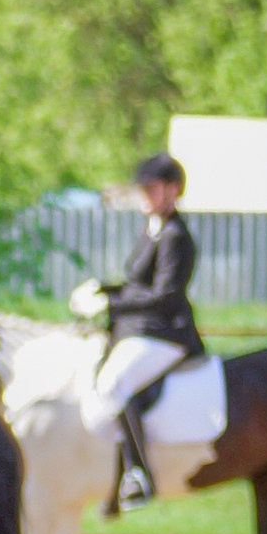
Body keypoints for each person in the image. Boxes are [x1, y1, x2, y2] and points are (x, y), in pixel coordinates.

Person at [81, 153, 203, 507]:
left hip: (168, 333)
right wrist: (103, 290)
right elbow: (138, 285)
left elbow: (166, 296)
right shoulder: (153, 231)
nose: (145, 197)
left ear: (173, 190)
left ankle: (139, 475)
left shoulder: (176, 236)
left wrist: (112, 306)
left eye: (152, 189)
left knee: (115, 383)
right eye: (143, 190)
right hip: (144, 328)